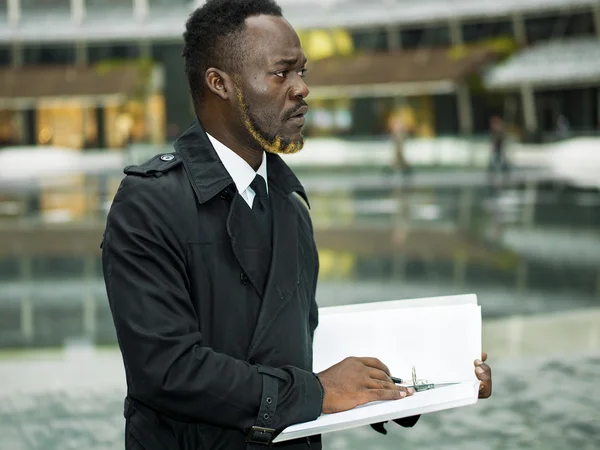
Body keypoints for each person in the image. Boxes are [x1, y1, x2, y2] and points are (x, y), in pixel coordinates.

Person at [101, 1, 493, 449]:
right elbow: (167, 371)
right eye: (281, 73)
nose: (302, 88)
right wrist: (318, 393)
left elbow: (297, 350)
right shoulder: (148, 203)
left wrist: (420, 381)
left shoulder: (289, 201)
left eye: (302, 71)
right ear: (219, 84)